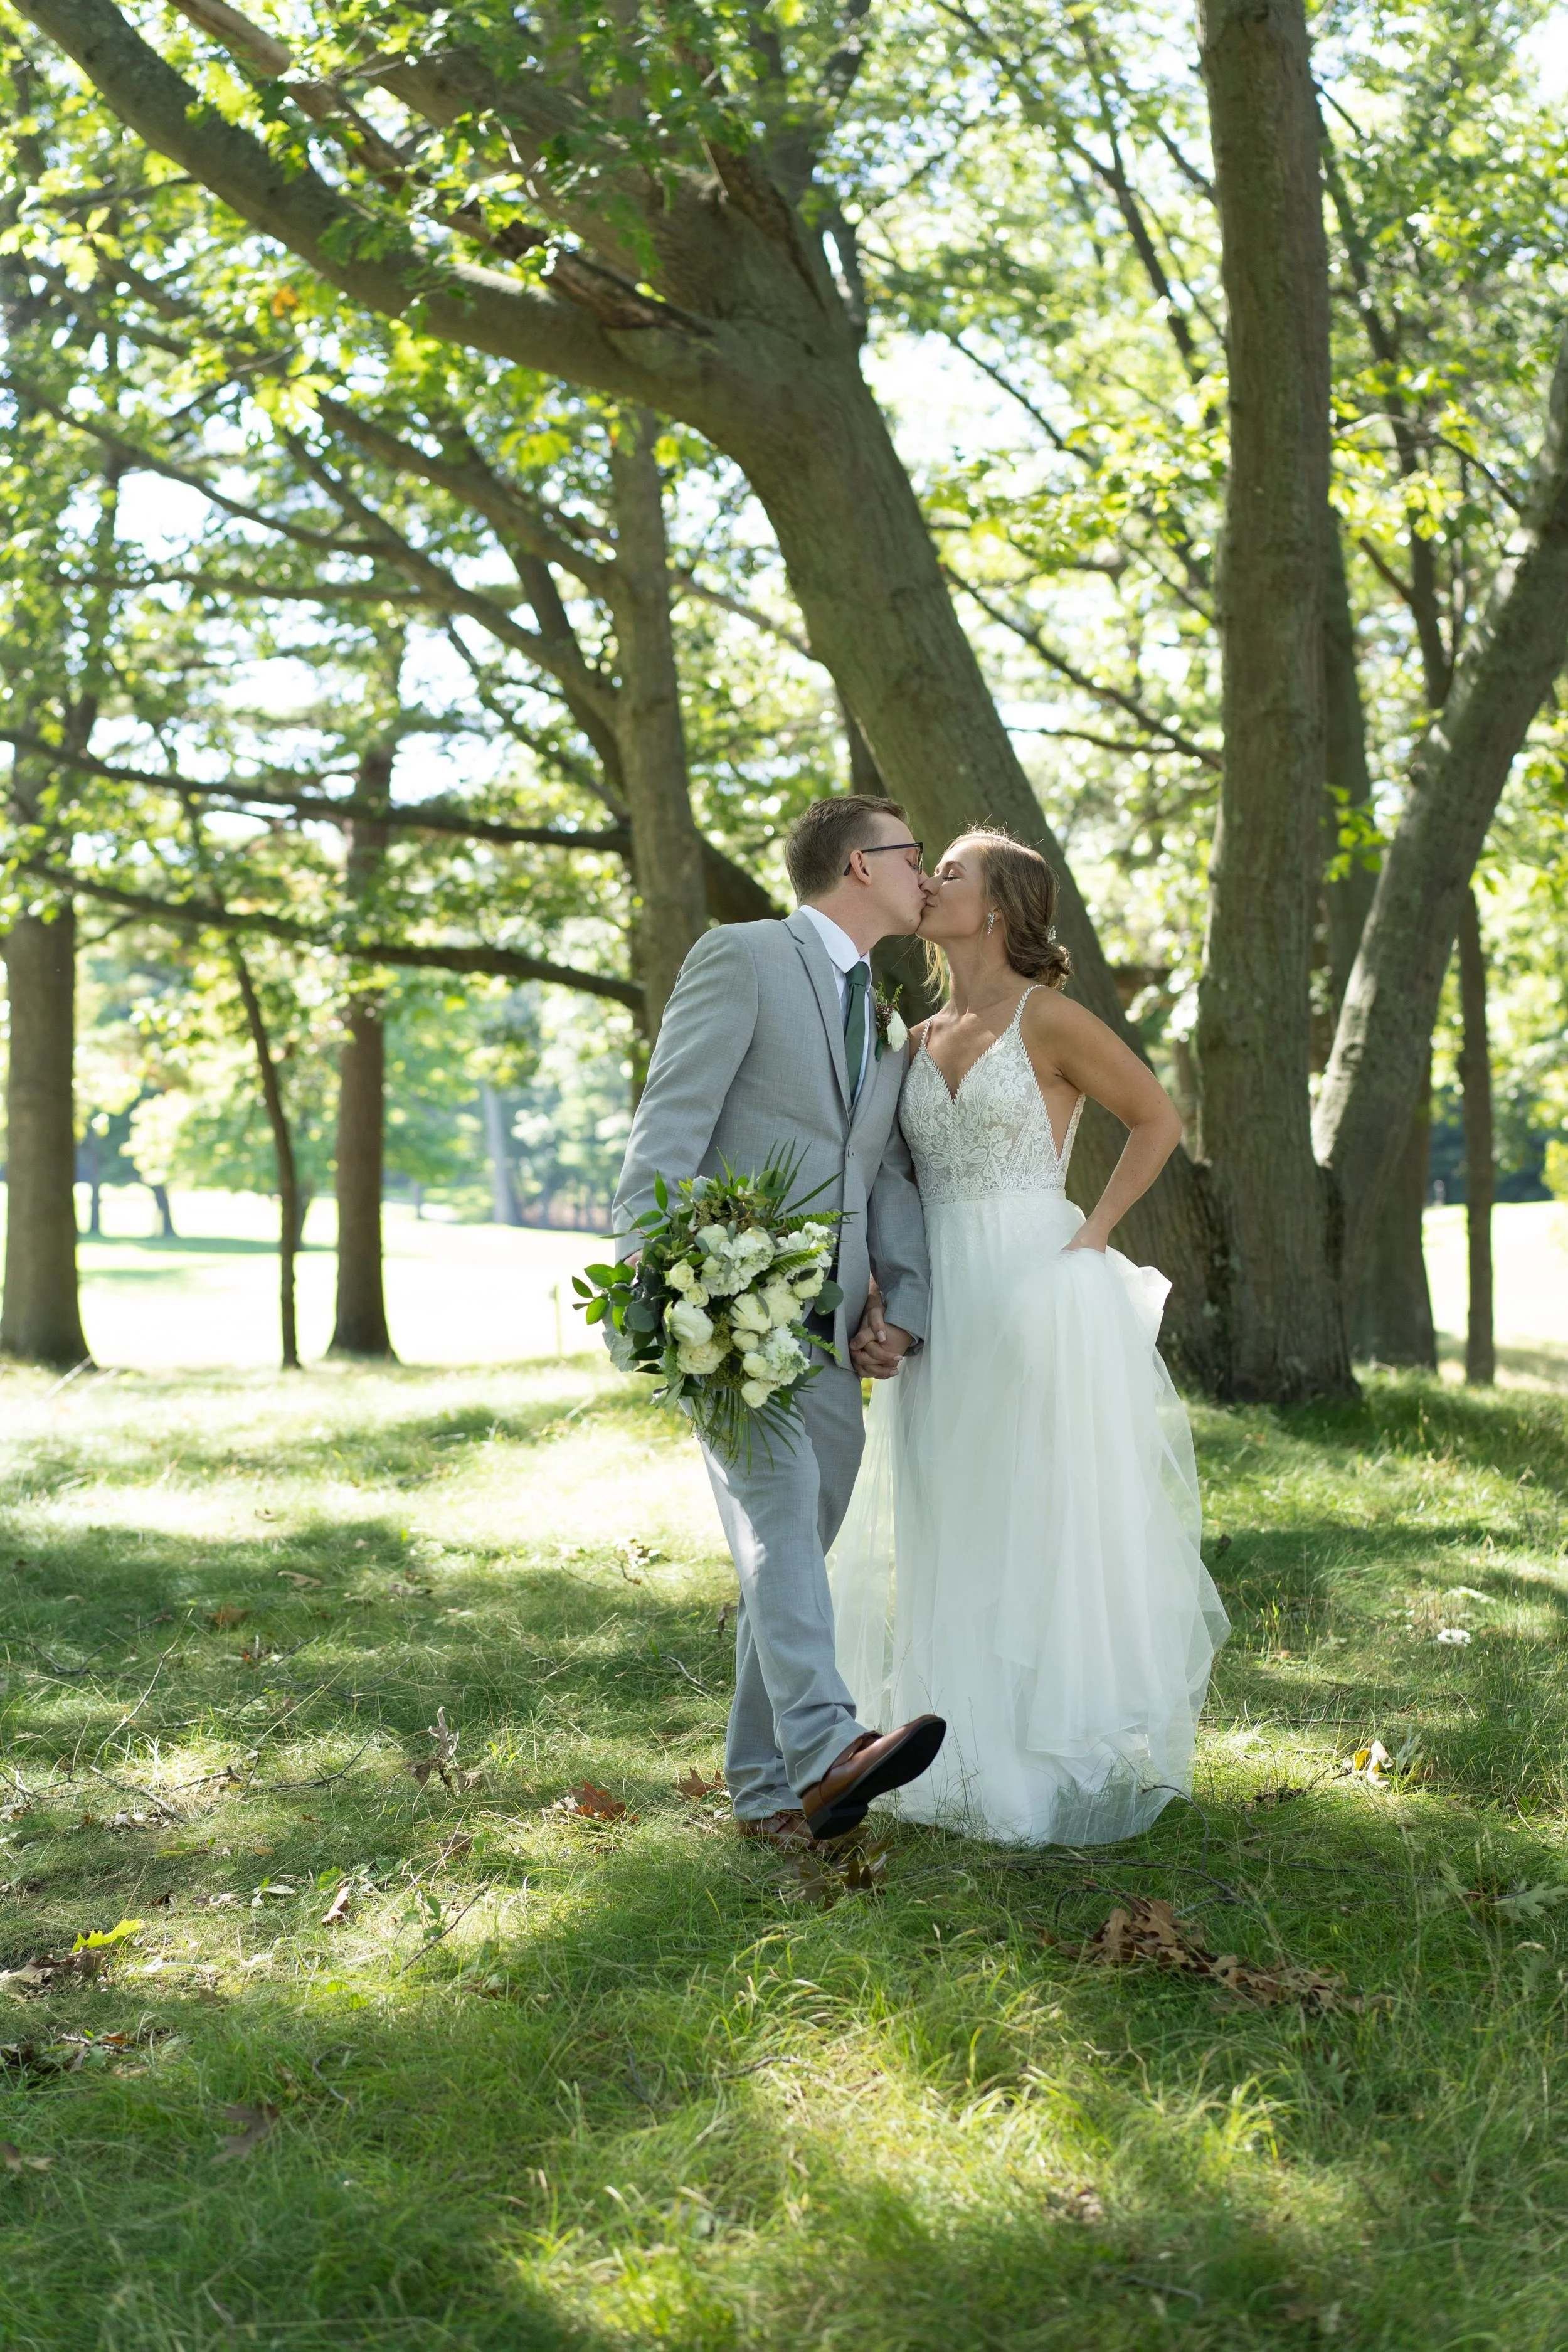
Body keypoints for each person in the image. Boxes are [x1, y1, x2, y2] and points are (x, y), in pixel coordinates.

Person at [830, 831, 1229, 1846]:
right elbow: (894, 1185)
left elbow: (1155, 1118)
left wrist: (1090, 1238)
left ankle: (1037, 1756)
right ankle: (955, 1750)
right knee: (948, 1505)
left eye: (949, 871)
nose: (929, 882)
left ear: (999, 906)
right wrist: (884, 1292)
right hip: (943, 1299)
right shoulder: (912, 1039)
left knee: (1034, 1510)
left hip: (1035, 1282)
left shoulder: (1045, 1018)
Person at [613, 795, 948, 1846]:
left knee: (797, 1539)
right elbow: (668, 1126)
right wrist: (660, 1291)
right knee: (781, 1508)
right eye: (913, 855)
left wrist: (904, 1307)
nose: (926, 873)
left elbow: (885, 1173)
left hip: (830, 1327)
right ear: (859, 865)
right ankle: (824, 1743)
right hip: (723, 1311)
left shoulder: (885, 1016)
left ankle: (767, 1796)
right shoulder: (745, 957)